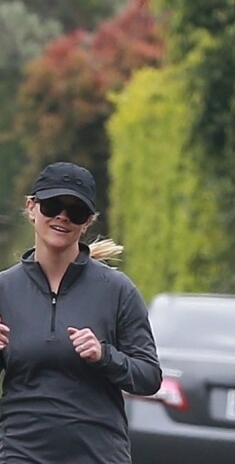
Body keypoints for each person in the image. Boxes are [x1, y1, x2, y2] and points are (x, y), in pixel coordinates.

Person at [0, 161, 162, 463]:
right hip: (21, 454)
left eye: (76, 211)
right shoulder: (4, 289)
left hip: (97, 454)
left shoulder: (116, 290)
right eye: (52, 205)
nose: (62, 216)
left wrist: (104, 355)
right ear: (32, 208)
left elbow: (149, 377)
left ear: (88, 222)